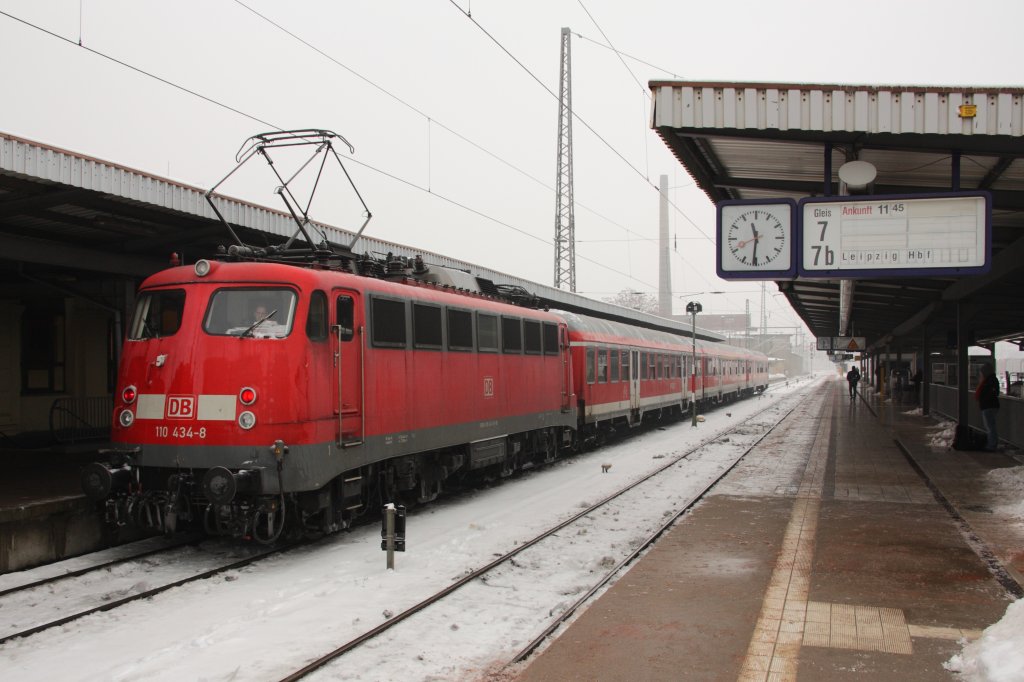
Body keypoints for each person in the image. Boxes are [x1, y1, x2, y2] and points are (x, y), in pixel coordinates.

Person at [975, 363, 1000, 451]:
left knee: (990, 427)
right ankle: (991, 444)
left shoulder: (990, 380)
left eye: (982, 372)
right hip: (988, 406)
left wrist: (984, 398)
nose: (981, 374)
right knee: (989, 426)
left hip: (989, 406)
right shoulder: (989, 380)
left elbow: (993, 393)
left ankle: (991, 445)